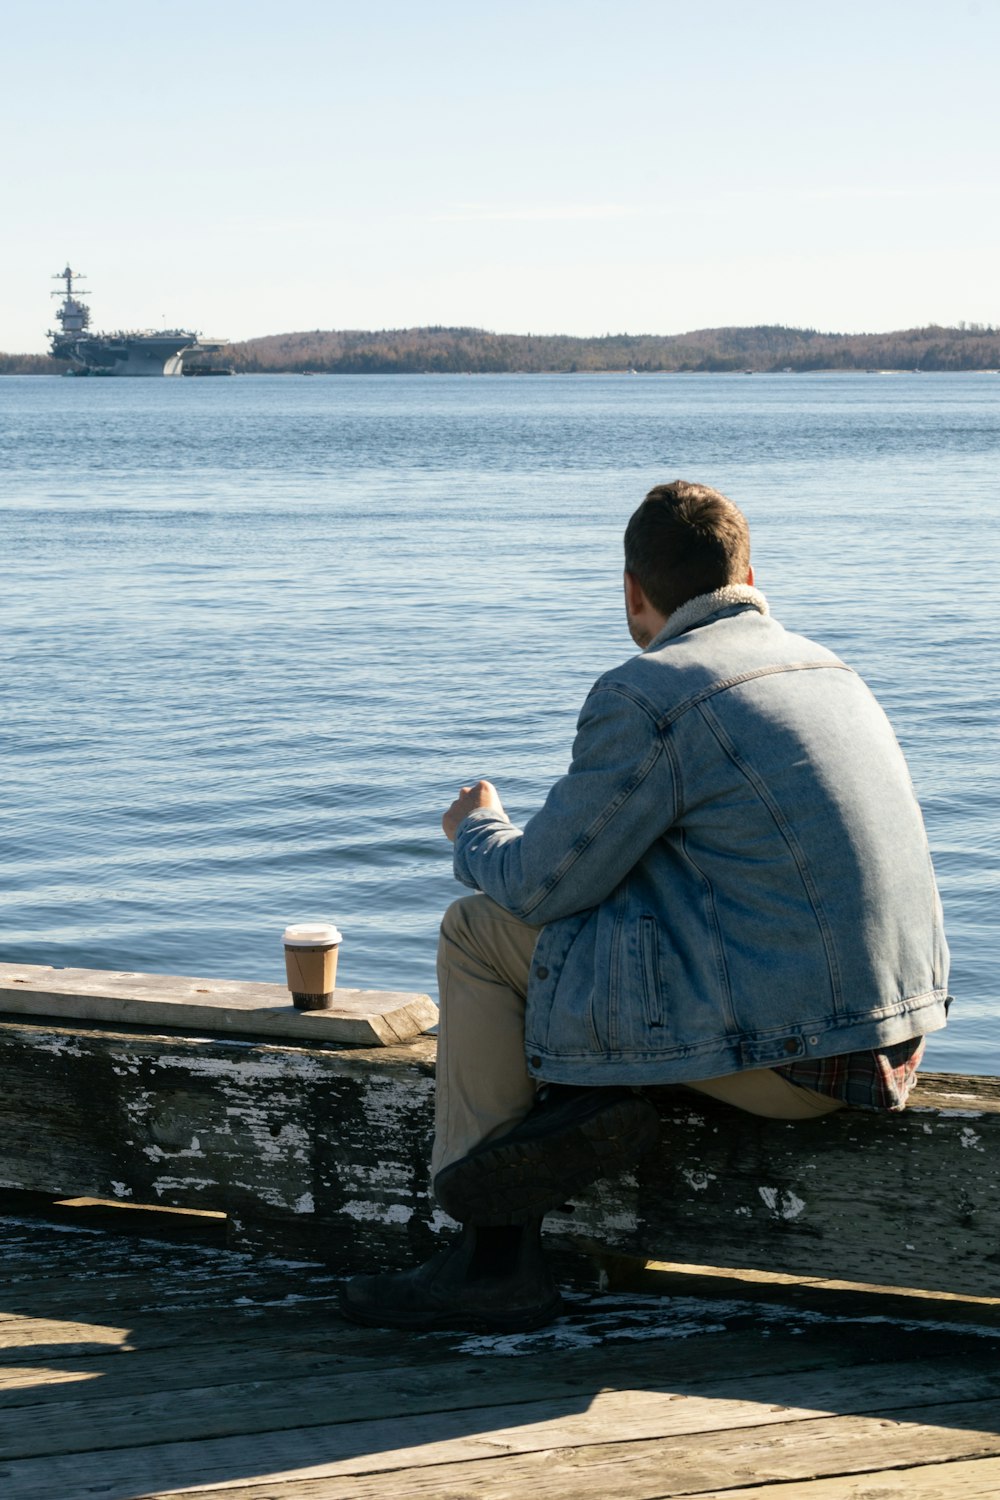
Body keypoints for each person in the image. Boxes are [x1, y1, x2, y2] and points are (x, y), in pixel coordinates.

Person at [339, 480, 950, 1333]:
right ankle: (586, 1102)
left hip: (780, 1060)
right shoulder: (829, 670)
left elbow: (541, 884)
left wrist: (477, 828)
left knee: (480, 931)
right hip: (887, 1046)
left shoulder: (651, 694)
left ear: (633, 591)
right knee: (617, 911)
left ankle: (488, 1254)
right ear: (747, 570)